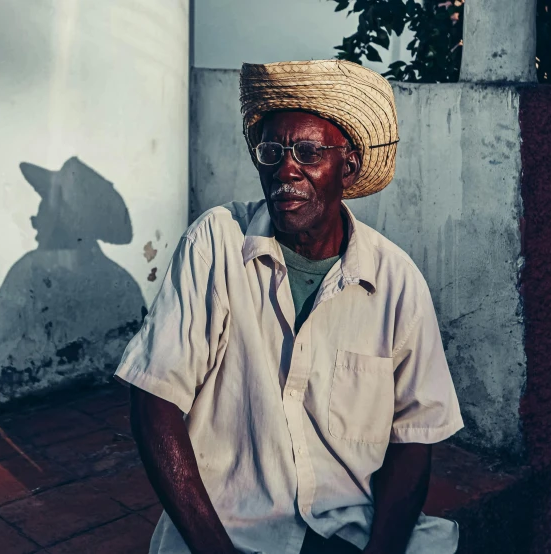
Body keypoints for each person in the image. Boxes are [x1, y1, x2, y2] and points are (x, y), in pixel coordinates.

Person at [115, 59, 464, 554]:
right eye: (272, 151)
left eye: (307, 151)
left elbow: (413, 438)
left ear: (349, 165)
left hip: (350, 526)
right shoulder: (216, 242)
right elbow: (154, 399)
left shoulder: (397, 281)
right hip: (230, 526)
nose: (285, 169)